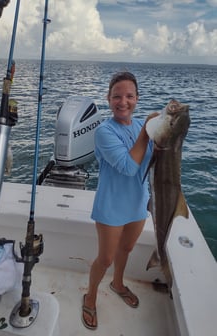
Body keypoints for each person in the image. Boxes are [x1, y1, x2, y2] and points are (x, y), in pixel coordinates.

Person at [81, 71, 159, 330]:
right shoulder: (104, 131)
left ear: (137, 98)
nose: (122, 101)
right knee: (105, 258)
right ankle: (90, 296)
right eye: (117, 96)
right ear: (108, 99)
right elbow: (128, 167)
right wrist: (148, 134)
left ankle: (117, 283)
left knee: (125, 250)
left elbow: (154, 161)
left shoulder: (140, 126)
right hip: (112, 207)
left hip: (138, 204)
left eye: (129, 96)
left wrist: (164, 132)